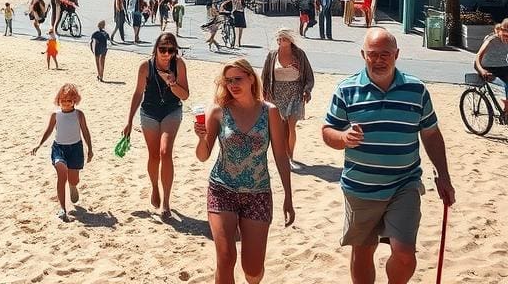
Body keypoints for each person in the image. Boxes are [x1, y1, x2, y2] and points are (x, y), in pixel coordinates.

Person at [322, 28, 455, 284]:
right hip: (361, 186)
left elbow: (431, 134)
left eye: (385, 54)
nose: (379, 59)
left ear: (397, 55)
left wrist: (444, 176)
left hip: (404, 184)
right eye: (373, 54)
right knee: (363, 249)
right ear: (363, 54)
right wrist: (343, 138)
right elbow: (328, 131)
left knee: (404, 253)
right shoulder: (346, 90)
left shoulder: (416, 90)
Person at [195, 59, 295, 284]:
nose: (232, 85)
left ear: (251, 78)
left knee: (253, 269)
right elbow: (202, 156)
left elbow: (280, 155)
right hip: (222, 188)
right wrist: (201, 138)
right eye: (228, 80)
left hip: (258, 193)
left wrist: (288, 196)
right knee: (226, 256)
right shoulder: (218, 111)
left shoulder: (270, 112)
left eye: (237, 79)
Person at [121, 33, 190, 218]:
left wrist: (172, 83)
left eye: (171, 50)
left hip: (171, 110)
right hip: (149, 111)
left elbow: (184, 95)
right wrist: (129, 121)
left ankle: (166, 202)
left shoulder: (179, 64)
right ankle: (154, 188)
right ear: (156, 49)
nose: (167, 54)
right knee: (153, 155)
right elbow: (137, 94)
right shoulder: (146, 66)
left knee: (165, 152)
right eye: (163, 49)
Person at [30, 83, 94, 221]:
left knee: (73, 179)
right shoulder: (55, 115)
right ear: (58, 100)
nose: (66, 103)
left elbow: (85, 132)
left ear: (75, 101)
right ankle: (62, 209)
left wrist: (90, 149)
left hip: (75, 149)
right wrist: (39, 144)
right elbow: (48, 131)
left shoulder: (79, 114)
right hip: (59, 148)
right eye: (63, 100)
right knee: (61, 174)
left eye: (69, 100)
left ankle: (73, 186)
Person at [260, 29, 314, 163]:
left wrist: (307, 90)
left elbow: (309, 75)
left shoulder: (300, 55)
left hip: (295, 93)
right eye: (279, 38)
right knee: (282, 127)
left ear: (290, 40)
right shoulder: (272, 55)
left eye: (284, 38)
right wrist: (264, 92)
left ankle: (290, 156)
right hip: (276, 94)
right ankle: (284, 155)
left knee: (291, 126)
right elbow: (265, 76)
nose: (281, 41)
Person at [474, 19, 508, 122]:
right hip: (487, 67)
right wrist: (481, 70)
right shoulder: (492, 39)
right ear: (501, 30)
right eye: (506, 36)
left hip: (503, 66)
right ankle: (506, 112)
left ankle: (505, 111)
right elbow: (477, 57)